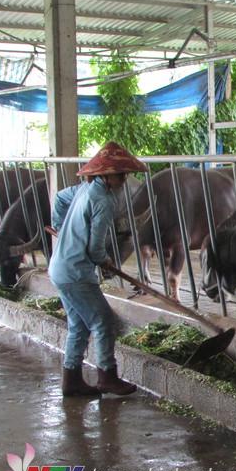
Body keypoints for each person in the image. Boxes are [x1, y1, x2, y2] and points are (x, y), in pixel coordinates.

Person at [48, 141, 148, 397]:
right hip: (75, 273)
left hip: (60, 268)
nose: (124, 179)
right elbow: (95, 249)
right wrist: (105, 261)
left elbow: (59, 198)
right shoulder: (104, 201)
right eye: (120, 174)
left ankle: (71, 380)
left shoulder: (83, 189)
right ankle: (107, 376)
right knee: (103, 320)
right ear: (107, 175)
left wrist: (61, 229)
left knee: (79, 326)